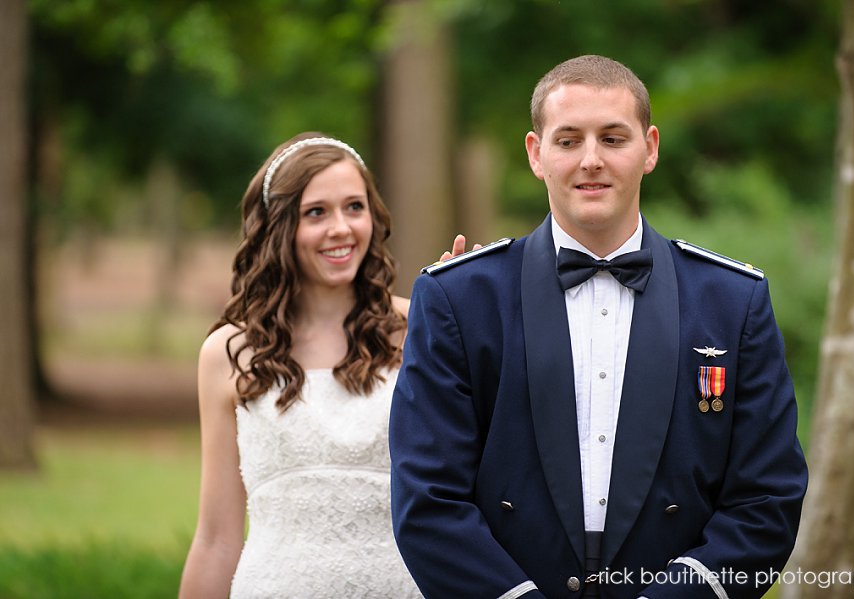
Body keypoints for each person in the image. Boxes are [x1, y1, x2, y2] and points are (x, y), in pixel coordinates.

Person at [389, 55, 808, 599]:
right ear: (537, 154)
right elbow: (428, 499)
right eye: (568, 141)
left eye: (613, 138)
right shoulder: (458, 298)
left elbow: (766, 500)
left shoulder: (732, 302)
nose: (591, 160)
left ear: (650, 148)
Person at [179, 132, 462, 598]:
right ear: (278, 227)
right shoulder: (230, 353)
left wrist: (464, 312)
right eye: (316, 212)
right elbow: (216, 537)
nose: (341, 228)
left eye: (355, 207)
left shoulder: (422, 327)